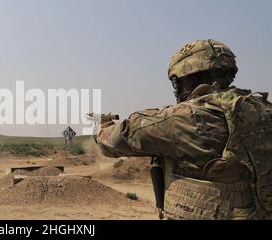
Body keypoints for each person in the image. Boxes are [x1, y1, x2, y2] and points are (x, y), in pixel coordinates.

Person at [94, 39, 272, 220]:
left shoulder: (183, 118)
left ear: (189, 78)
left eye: (176, 82)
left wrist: (103, 126)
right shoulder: (264, 110)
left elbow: (115, 141)